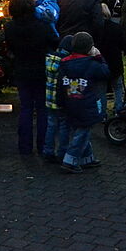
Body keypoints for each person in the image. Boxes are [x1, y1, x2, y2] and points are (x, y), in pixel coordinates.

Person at [4, 0, 59, 156]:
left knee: (26, 108)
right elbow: (55, 42)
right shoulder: (42, 25)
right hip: (41, 70)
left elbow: (10, 48)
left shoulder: (10, 27)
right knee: (43, 109)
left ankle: (24, 146)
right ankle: (43, 146)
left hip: (22, 70)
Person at [57, 32, 109, 173]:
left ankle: (87, 158)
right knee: (83, 132)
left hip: (69, 101)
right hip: (86, 104)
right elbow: (105, 73)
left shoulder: (64, 63)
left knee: (81, 129)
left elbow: (60, 85)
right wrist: (99, 57)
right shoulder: (92, 64)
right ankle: (70, 160)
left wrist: (60, 102)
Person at [42, 35, 72, 163]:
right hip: (62, 100)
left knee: (51, 125)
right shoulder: (66, 62)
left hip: (49, 99)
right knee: (64, 126)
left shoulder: (48, 59)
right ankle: (62, 151)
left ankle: (48, 150)